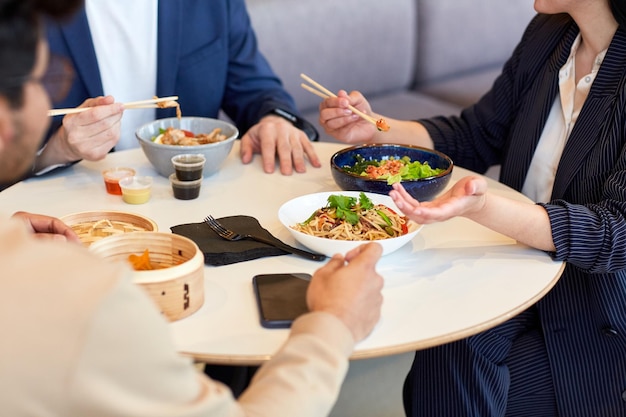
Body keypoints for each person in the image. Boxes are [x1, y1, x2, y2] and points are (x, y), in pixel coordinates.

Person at [0, 1, 386, 415]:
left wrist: (275, 118)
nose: (47, 94)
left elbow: (255, 87)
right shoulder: (87, 301)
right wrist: (334, 324)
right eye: (48, 84)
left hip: (192, 217)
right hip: (95, 227)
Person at [318, 0, 626, 415]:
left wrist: (483, 208)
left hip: (596, 310)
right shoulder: (550, 34)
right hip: (518, 271)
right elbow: (478, 134)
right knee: (448, 335)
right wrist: (376, 128)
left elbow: (616, 232)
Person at [8, 0, 321, 190]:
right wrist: (55, 151)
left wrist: (273, 120)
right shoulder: (22, 12)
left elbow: (256, 88)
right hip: (71, 211)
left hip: (191, 205)